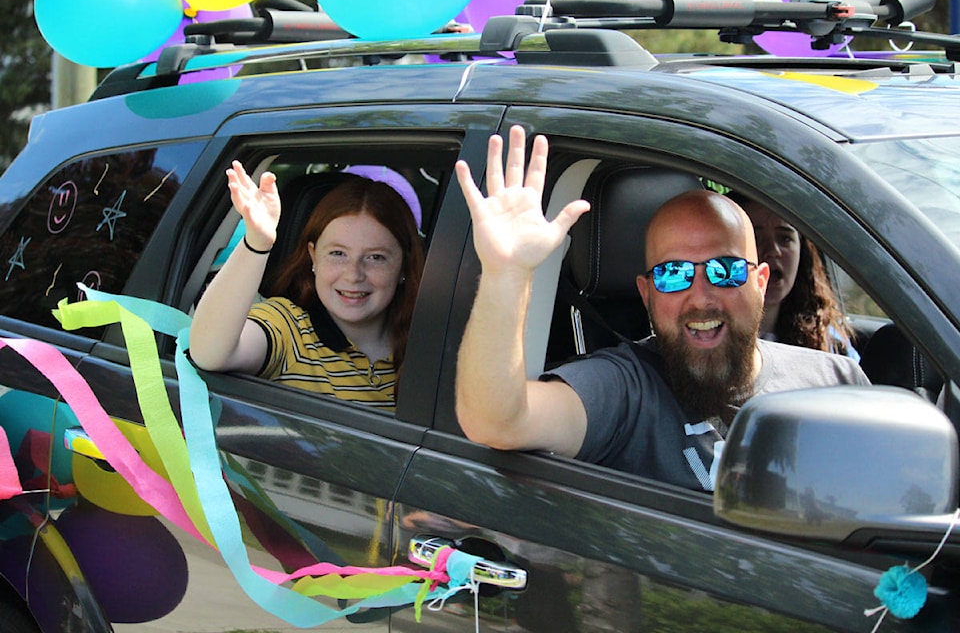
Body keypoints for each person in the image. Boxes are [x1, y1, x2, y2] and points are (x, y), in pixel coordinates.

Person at [453, 126, 870, 491]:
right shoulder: (625, 390)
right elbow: (497, 421)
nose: (702, 296)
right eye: (673, 274)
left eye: (725, 270)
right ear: (648, 294)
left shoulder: (834, 383)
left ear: (759, 282)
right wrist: (505, 273)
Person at [190, 161, 424, 410]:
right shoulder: (288, 327)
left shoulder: (429, 344)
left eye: (375, 257)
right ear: (313, 256)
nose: (353, 274)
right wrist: (258, 242)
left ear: (403, 266)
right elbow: (209, 352)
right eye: (337, 253)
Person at [733, 194, 859, 359]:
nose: (773, 251)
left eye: (785, 238)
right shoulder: (710, 338)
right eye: (756, 239)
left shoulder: (827, 339)